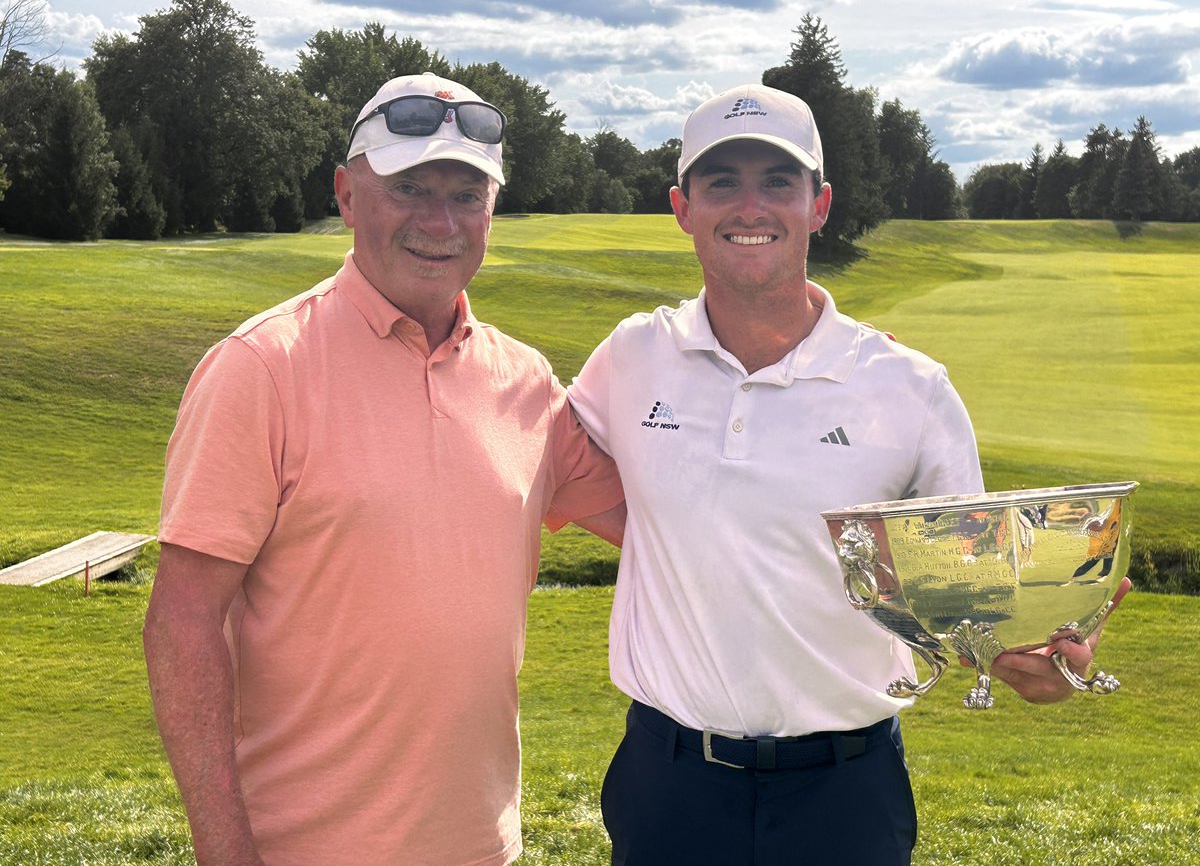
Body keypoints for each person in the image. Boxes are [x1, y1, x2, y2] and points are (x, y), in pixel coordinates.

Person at [566, 83, 1129, 864]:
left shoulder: (910, 387)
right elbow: (547, 470)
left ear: (820, 203)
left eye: (779, 181)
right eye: (721, 181)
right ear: (681, 206)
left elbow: (977, 595)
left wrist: (1038, 659)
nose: (750, 206)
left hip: (845, 792)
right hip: (669, 785)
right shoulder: (630, 358)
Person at [143, 73, 625, 866]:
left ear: (492, 211)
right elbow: (181, 623)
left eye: (467, 194)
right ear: (347, 193)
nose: (440, 221)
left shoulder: (528, 383)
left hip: (481, 847)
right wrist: (225, 852)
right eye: (410, 187)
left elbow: (662, 528)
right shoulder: (260, 368)